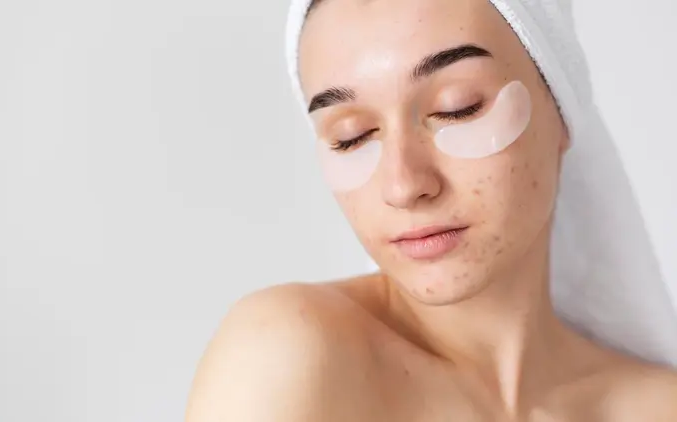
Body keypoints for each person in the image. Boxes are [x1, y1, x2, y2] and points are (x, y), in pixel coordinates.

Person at [186, 0, 677, 420]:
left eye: (458, 108)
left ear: (562, 107)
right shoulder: (288, 353)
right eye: (350, 136)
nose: (403, 186)